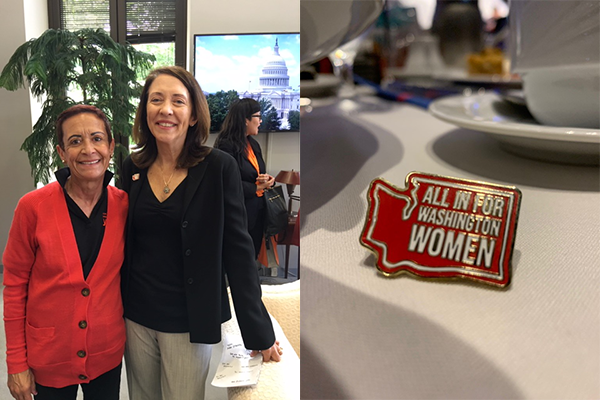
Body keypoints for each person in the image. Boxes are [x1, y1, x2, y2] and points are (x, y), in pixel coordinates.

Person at [121, 66, 282, 400]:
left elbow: (239, 251)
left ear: (193, 115)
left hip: (188, 319)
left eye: (178, 101)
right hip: (135, 315)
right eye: (156, 100)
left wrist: (259, 333)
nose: (166, 109)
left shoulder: (218, 167)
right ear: (145, 111)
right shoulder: (132, 168)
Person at [3, 105, 128, 400]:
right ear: (61, 152)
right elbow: (14, 286)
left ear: (110, 147)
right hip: (49, 354)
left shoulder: (124, 205)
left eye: (97, 139)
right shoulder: (32, 207)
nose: (88, 149)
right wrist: (16, 363)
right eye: (75, 141)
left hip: (106, 352)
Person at [214, 98, 275, 259]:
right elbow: (224, 183)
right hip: (237, 214)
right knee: (236, 259)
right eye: (258, 116)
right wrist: (255, 188)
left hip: (257, 211)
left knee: (250, 257)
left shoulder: (253, 144)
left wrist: (266, 180)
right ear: (245, 119)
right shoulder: (226, 145)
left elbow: (256, 173)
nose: (261, 121)